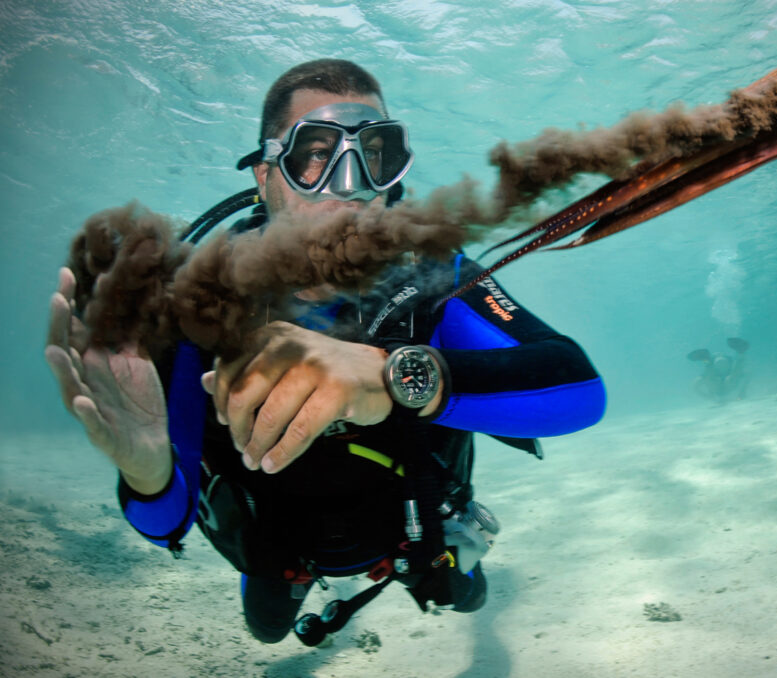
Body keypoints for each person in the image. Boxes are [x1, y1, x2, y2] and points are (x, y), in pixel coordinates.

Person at [44, 59, 606, 646]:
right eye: (315, 152)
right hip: (279, 546)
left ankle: (458, 571)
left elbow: (579, 390)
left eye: (378, 151)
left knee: (466, 597)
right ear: (266, 177)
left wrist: (393, 376)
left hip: (417, 533)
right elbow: (165, 523)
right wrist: (148, 470)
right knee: (266, 629)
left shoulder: (436, 274)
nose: (352, 183)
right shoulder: (203, 302)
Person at [687, 337, 749, 403]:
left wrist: (709, 397)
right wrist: (742, 392)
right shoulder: (725, 370)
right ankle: (741, 353)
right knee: (733, 377)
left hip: (718, 385)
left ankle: (706, 361)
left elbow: (695, 386)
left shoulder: (712, 382)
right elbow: (747, 375)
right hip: (726, 381)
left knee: (712, 378)